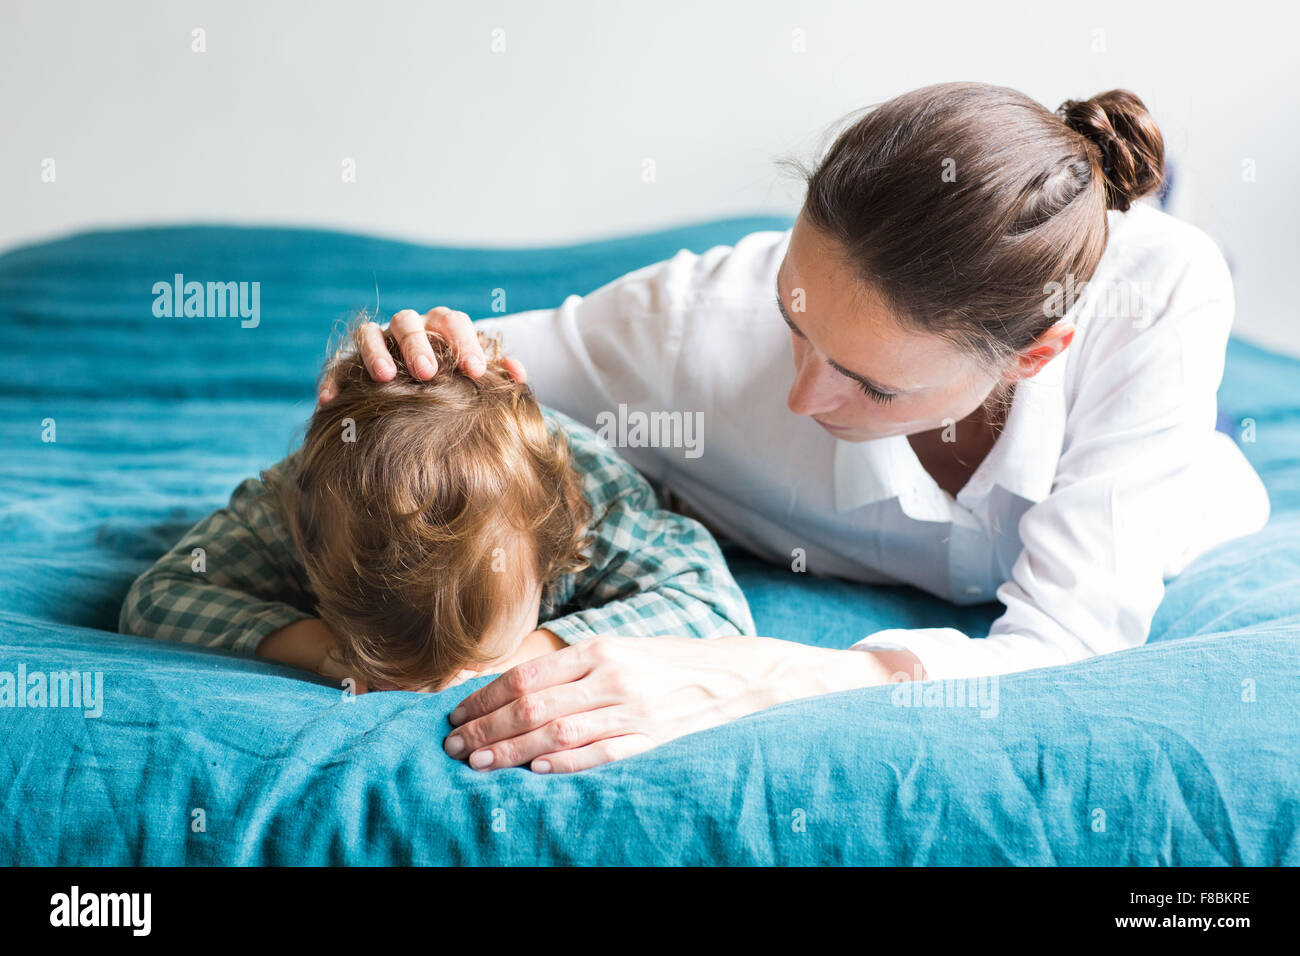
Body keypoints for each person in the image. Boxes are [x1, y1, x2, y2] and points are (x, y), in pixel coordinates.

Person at [328, 82, 1270, 773]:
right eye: (795, 318)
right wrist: (399, 358)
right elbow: (431, 384)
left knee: (1183, 357)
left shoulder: (1157, 295)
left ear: (1032, 355)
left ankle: (1118, 197)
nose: (801, 402)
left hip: (1180, 465)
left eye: (869, 385)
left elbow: (1064, 651)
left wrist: (752, 675)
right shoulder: (685, 331)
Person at [119, 324, 756, 695]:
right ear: (307, 555)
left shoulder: (594, 506)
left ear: (551, 551)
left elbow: (714, 607)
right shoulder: (289, 507)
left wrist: (533, 652)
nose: (438, 691)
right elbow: (156, 598)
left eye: (480, 661)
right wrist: (318, 649)